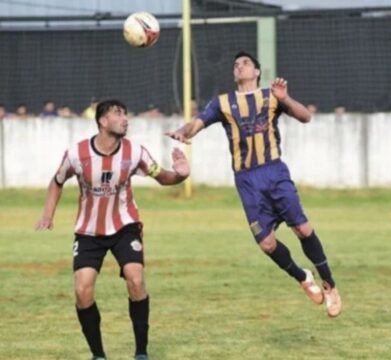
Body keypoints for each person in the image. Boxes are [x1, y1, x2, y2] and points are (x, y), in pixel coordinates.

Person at [166, 51, 342, 317]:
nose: (239, 67)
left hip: (274, 172)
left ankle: (329, 284)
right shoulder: (222, 103)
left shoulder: (271, 96)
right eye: (236, 65)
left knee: (303, 229)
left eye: (245, 63)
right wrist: (183, 131)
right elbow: (197, 123)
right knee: (267, 245)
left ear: (257, 71)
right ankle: (303, 277)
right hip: (247, 181)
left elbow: (305, 116)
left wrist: (286, 99)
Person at [35, 99, 190, 360]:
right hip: (88, 231)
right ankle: (98, 355)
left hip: (124, 226)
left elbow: (162, 176)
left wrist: (181, 175)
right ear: (103, 121)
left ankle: (141, 352)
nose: (125, 118)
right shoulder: (77, 153)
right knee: (82, 290)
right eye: (118, 114)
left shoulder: (135, 152)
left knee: (136, 279)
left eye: (126, 114)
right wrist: (48, 214)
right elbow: (57, 180)